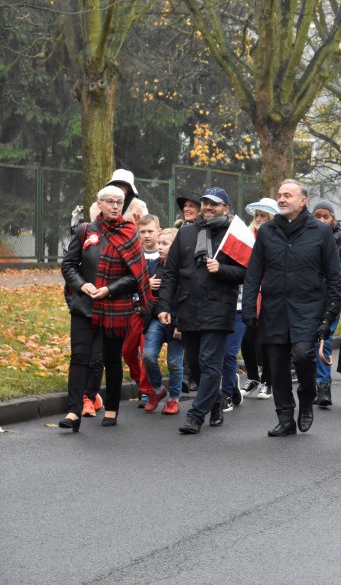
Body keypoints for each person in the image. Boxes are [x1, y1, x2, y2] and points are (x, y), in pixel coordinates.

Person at [242, 180, 341, 437]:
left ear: (303, 201)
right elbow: (254, 273)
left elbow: (334, 277)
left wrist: (330, 314)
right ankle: (285, 418)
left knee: (302, 356)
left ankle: (307, 398)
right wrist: (249, 309)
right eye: (279, 195)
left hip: (308, 309)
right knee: (276, 367)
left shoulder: (320, 232)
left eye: (288, 195)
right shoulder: (267, 232)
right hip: (274, 309)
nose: (282, 199)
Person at [59, 184, 152, 432]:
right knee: (79, 358)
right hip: (84, 306)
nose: (114, 206)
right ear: (98, 205)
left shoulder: (130, 233)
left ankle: (111, 408)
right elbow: (69, 266)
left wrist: (110, 290)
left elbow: (136, 276)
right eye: (109, 201)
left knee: (111, 360)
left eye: (118, 202)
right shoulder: (84, 231)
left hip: (115, 308)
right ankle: (73, 411)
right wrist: (82, 286)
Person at [157, 187, 246, 435]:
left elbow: (246, 272)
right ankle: (215, 400)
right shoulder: (186, 234)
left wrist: (222, 269)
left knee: (209, 361)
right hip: (189, 307)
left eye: (214, 205)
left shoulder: (234, 236)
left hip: (219, 307)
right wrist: (164, 306)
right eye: (205, 203)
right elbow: (170, 274)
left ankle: (195, 415)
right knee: (194, 363)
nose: (207, 208)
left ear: (225, 208)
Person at [311, 199, 341, 408]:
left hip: (333, 295)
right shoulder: (305, 235)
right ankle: (309, 384)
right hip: (307, 295)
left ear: (333, 218)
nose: (321, 220)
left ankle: (323, 386)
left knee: (324, 340)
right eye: (317, 216)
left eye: (325, 216)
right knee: (306, 342)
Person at [141, 228, 184, 414]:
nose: (159, 247)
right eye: (159, 243)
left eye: (164, 244)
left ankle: (174, 398)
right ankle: (158, 390)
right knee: (148, 355)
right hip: (156, 319)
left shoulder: (184, 269)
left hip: (177, 321)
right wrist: (146, 285)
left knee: (174, 362)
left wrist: (181, 324)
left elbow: (188, 297)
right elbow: (140, 291)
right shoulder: (153, 266)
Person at [239, 198, 278, 400]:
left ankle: (268, 381)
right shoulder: (247, 237)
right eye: (257, 216)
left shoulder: (276, 237)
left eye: (264, 216)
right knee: (247, 340)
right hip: (252, 294)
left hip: (271, 294)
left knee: (268, 340)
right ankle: (253, 377)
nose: (260, 219)